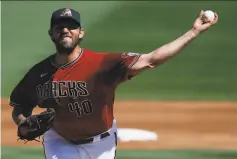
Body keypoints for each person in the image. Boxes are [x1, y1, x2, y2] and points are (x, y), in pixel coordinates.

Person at [9, 8, 218, 159]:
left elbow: (152, 59)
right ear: (51, 34)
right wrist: (23, 123)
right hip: (60, 142)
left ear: (80, 33)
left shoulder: (102, 63)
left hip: (102, 144)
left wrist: (194, 32)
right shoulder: (38, 73)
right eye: (59, 26)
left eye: (71, 26)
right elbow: (20, 104)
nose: (65, 30)